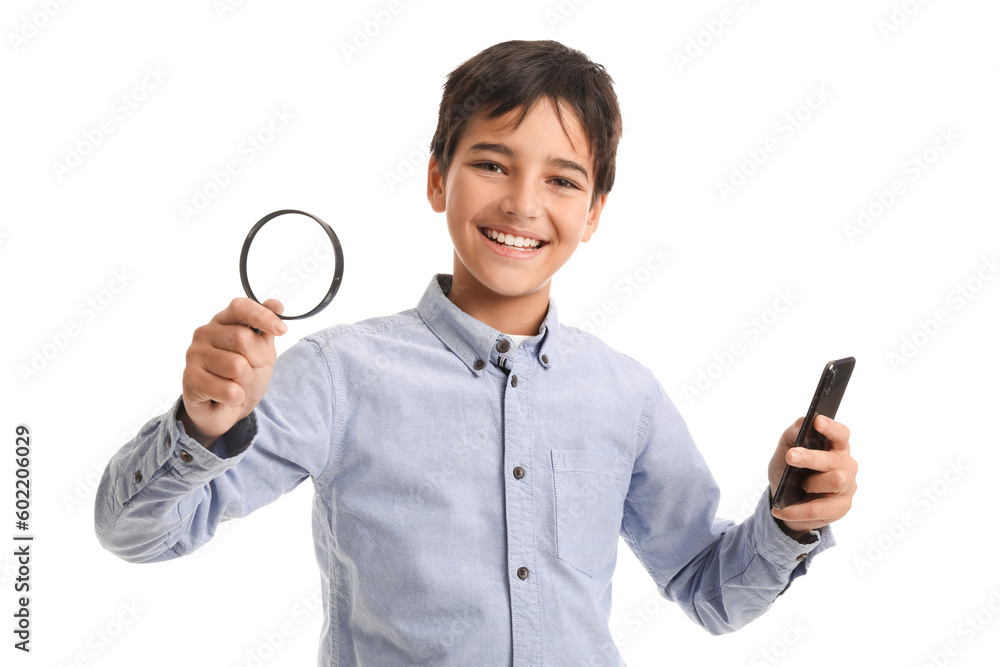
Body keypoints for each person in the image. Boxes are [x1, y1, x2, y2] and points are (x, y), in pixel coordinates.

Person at [95, 39, 857, 666]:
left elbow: (710, 591)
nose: (523, 202)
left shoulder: (628, 395)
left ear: (593, 214)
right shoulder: (340, 376)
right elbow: (138, 531)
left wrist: (788, 520)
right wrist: (199, 428)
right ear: (437, 178)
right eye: (492, 163)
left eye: (562, 180)